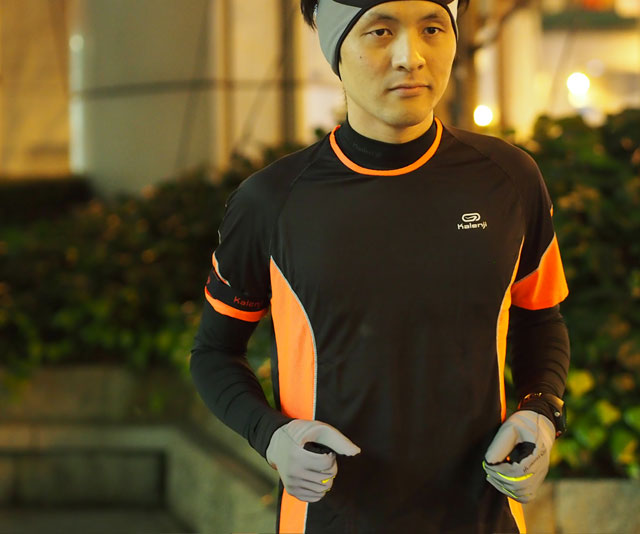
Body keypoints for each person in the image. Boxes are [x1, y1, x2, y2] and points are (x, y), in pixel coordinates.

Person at [189, 0, 571, 532]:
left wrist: (541, 412)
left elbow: (540, 318)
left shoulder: (510, 179)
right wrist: (272, 436)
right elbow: (214, 352)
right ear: (335, 50)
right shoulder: (271, 202)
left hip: (486, 517)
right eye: (380, 32)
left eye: (432, 28)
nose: (410, 57)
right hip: (329, 519)